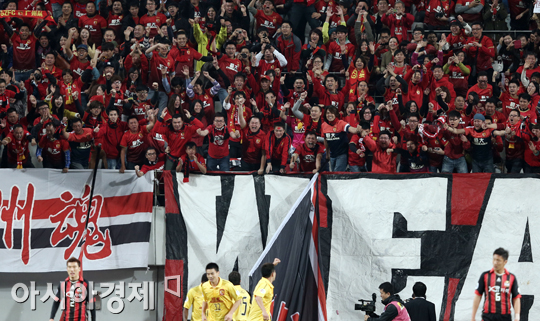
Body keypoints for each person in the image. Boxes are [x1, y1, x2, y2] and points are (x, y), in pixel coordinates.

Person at [471, 248, 521, 321]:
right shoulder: (485, 276)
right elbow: (478, 296)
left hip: (505, 317)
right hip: (488, 316)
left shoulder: (511, 277)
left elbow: (516, 298)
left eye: (498, 260)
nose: (495, 262)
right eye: (494, 259)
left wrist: (517, 316)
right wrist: (473, 317)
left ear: (505, 262)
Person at [49, 257, 96, 321]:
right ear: (67, 269)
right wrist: (51, 318)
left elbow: (92, 303)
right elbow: (56, 302)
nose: (72, 269)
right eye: (70, 267)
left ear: (79, 268)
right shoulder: (63, 285)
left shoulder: (86, 284)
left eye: (74, 267)